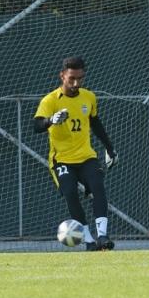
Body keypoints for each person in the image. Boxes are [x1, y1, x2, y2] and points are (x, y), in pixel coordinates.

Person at [33, 56, 118, 250]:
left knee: (98, 186)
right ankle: (89, 241)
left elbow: (95, 122)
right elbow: (36, 125)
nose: (76, 83)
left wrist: (109, 147)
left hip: (86, 156)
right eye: (71, 78)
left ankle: (102, 237)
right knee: (70, 193)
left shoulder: (89, 97)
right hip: (61, 159)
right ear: (62, 76)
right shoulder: (50, 100)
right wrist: (50, 120)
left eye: (80, 78)